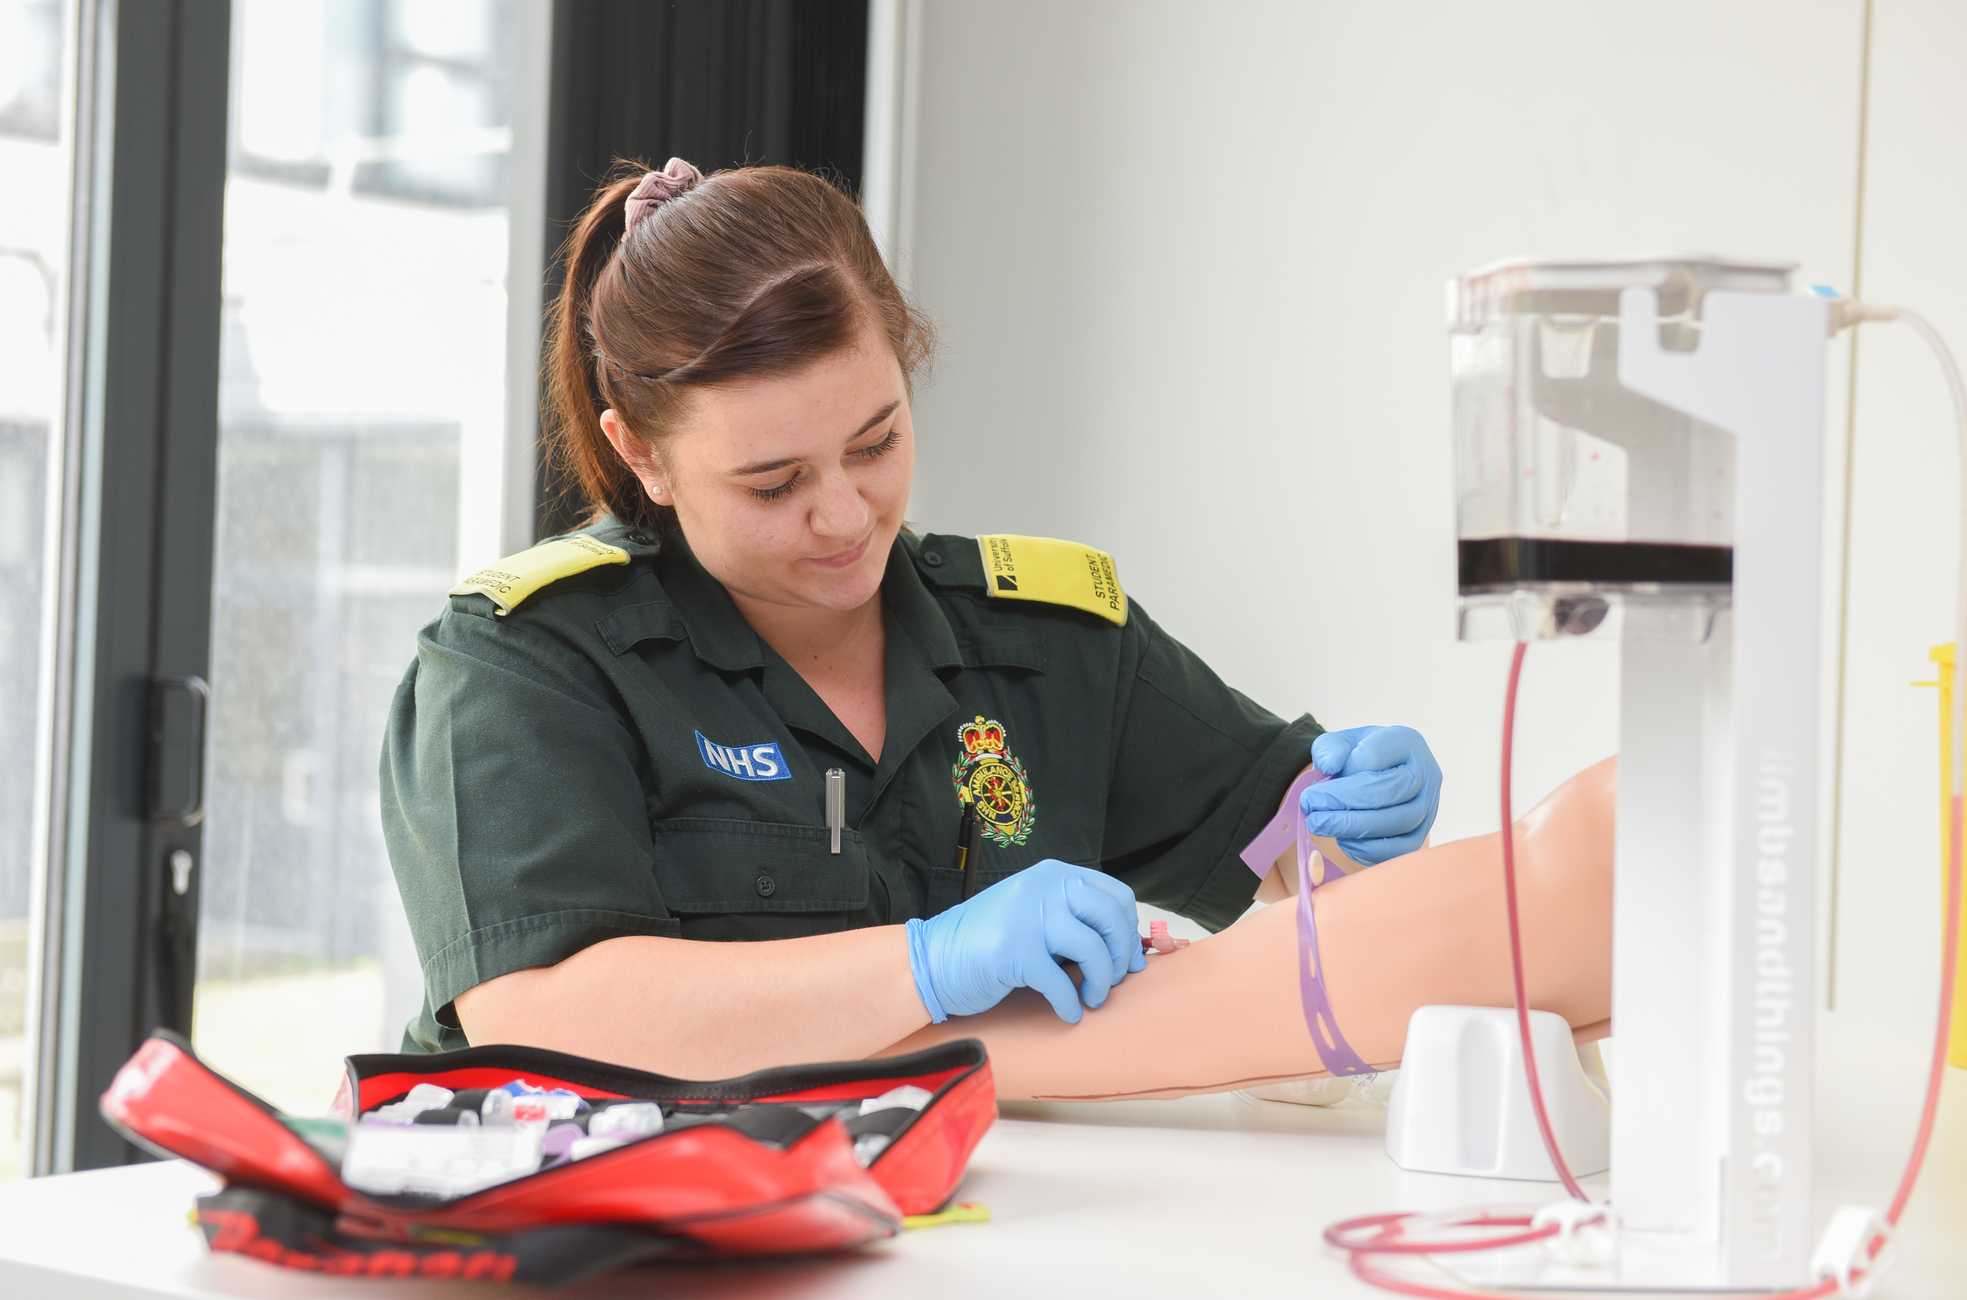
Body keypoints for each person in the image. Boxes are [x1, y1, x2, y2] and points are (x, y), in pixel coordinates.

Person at [378, 157, 1445, 1075]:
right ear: (641, 453)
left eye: (876, 442)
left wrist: (1342, 827)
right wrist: (926, 966)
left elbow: (1287, 867)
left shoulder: (1047, 640)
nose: (845, 515)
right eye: (772, 483)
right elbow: (541, 1015)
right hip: (621, 1218)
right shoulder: (524, 664)